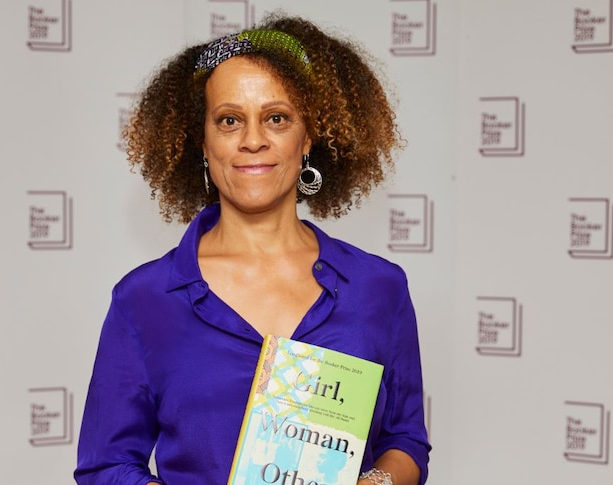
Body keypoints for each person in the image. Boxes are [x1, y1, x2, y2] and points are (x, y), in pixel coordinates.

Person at [74, 13, 431, 485]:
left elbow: (405, 440)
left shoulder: (379, 288)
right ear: (202, 141)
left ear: (308, 138)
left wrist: (376, 483)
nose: (253, 140)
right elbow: (106, 466)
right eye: (229, 120)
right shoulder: (144, 300)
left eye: (277, 118)